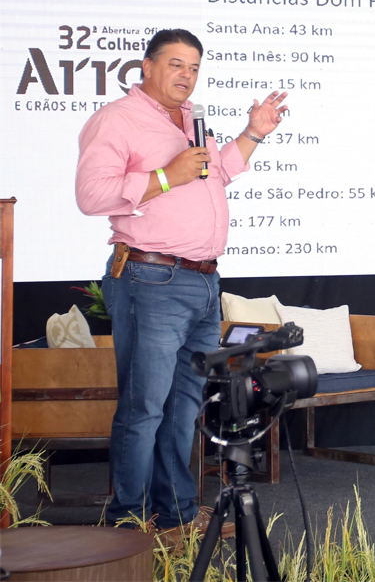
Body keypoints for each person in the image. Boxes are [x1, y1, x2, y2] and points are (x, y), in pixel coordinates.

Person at [75, 29, 289, 532]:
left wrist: (253, 134)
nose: (186, 76)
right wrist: (167, 175)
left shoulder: (192, 120)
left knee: (183, 410)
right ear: (145, 66)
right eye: (175, 64)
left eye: (193, 67)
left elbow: (215, 175)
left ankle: (176, 518)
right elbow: (91, 195)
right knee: (144, 408)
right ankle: (127, 525)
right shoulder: (116, 120)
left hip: (202, 284)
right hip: (151, 279)